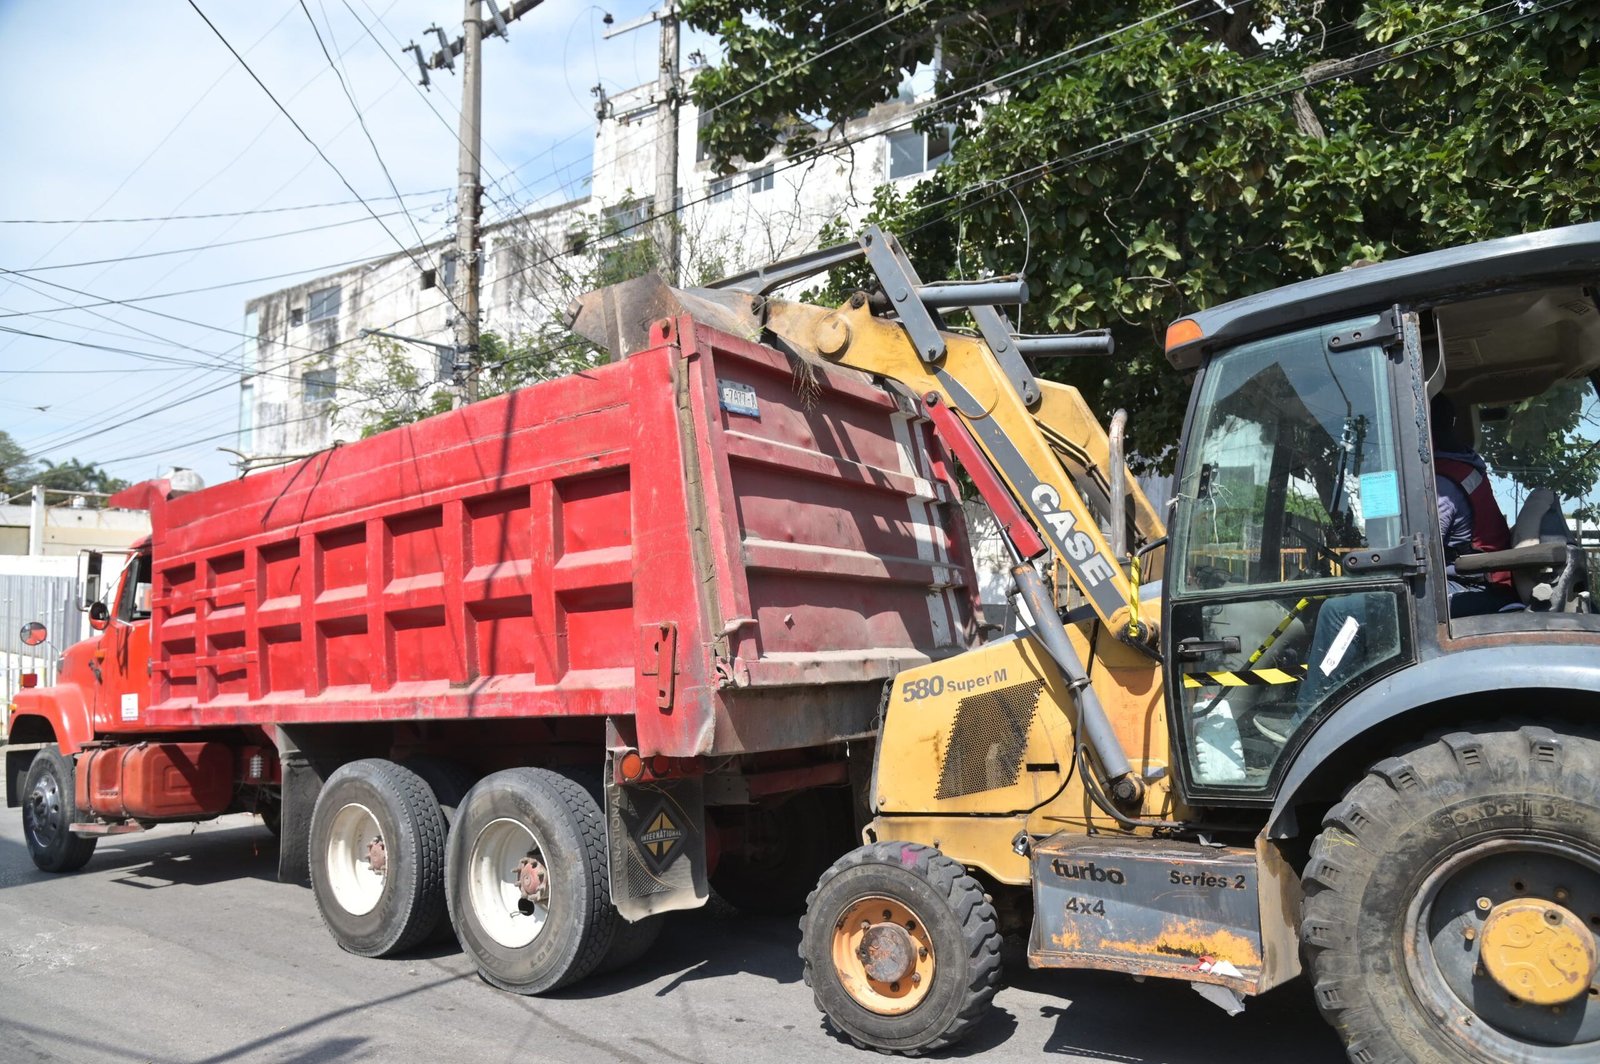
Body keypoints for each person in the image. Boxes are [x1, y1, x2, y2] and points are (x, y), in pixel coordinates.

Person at [1431, 393, 1518, 615]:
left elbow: (1425, 550)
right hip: (1483, 583)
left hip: (1472, 588)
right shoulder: (1462, 463)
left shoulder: (1442, 484)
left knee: (1350, 607)